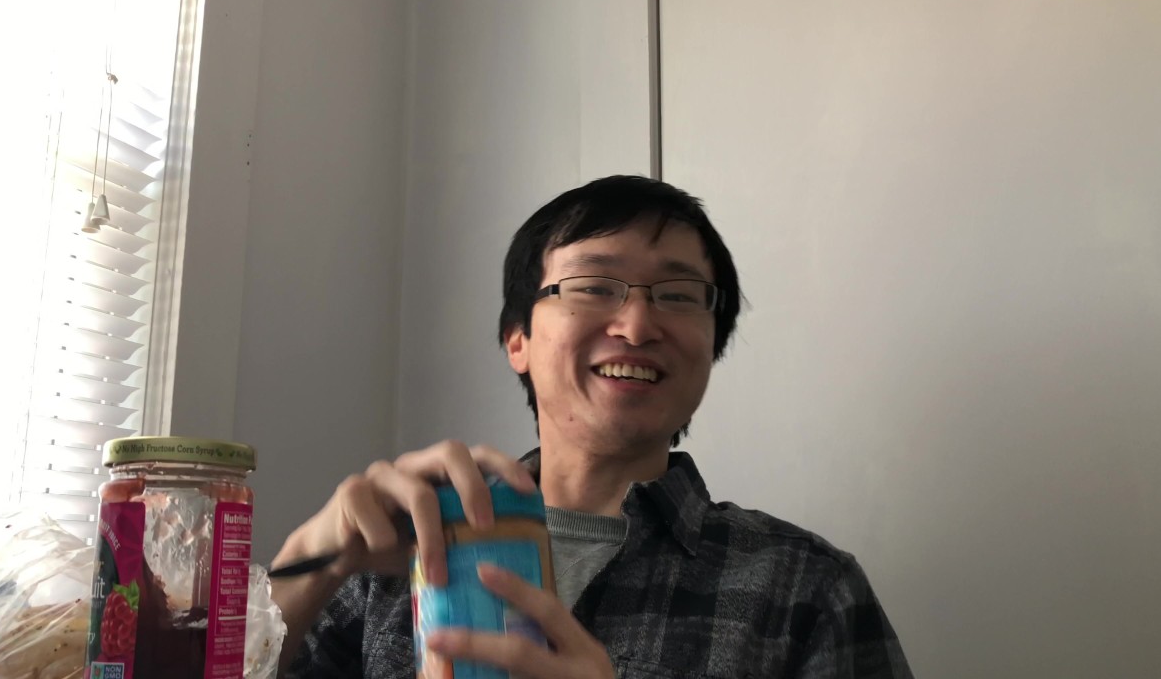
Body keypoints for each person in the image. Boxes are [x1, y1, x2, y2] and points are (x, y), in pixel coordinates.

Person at [274, 175, 913, 678]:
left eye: (678, 295)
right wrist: (310, 561)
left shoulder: (806, 588)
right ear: (518, 339)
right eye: (593, 286)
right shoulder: (398, 547)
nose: (636, 326)